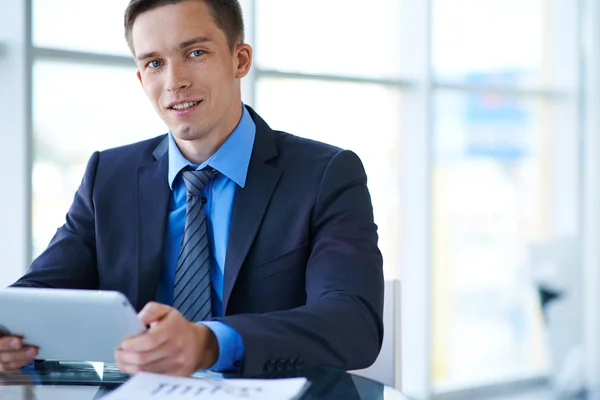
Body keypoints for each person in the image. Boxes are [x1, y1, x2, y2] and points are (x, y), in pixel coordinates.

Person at [0, 0, 384, 377]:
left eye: (195, 53)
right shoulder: (109, 176)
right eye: (154, 63)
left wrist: (209, 342)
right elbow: (38, 294)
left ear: (240, 60)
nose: (175, 81)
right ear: (140, 77)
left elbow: (353, 323)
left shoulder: (325, 175)